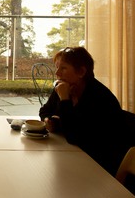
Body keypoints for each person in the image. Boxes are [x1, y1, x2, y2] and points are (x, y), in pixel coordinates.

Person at [39, 46, 127, 174]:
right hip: (75, 157)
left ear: (81, 72)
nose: (57, 73)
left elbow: (74, 136)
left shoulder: (100, 98)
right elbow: (45, 110)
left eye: (63, 68)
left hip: (100, 167)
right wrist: (48, 120)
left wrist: (65, 99)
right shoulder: (64, 86)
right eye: (57, 67)